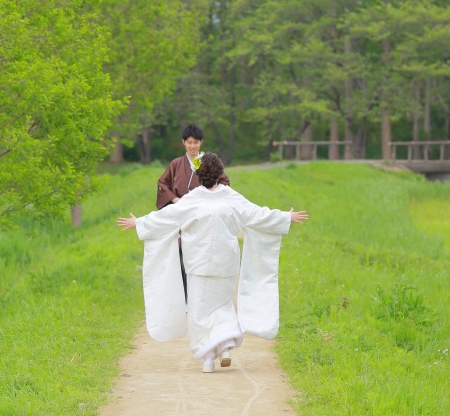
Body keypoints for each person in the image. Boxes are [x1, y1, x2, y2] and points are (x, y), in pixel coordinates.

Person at [117, 152, 309, 373]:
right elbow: (257, 215)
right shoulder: (231, 197)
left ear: (199, 174)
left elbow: (166, 217)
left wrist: (139, 223)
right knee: (223, 306)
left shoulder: (191, 200)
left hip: (198, 264)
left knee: (199, 312)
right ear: (219, 174)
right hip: (225, 264)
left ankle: (208, 358)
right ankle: (225, 347)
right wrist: (285, 217)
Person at [156, 124, 229, 303]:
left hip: (203, 217)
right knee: (182, 255)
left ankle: (203, 297)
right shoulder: (176, 164)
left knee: (203, 256)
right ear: (183, 142)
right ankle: (186, 299)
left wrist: (210, 196)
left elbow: (224, 182)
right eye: (189, 142)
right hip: (182, 215)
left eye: (196, 142)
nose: (193, 146)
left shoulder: (208, 162)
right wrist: (175, 200)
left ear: (201, 142)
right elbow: (163, 184)